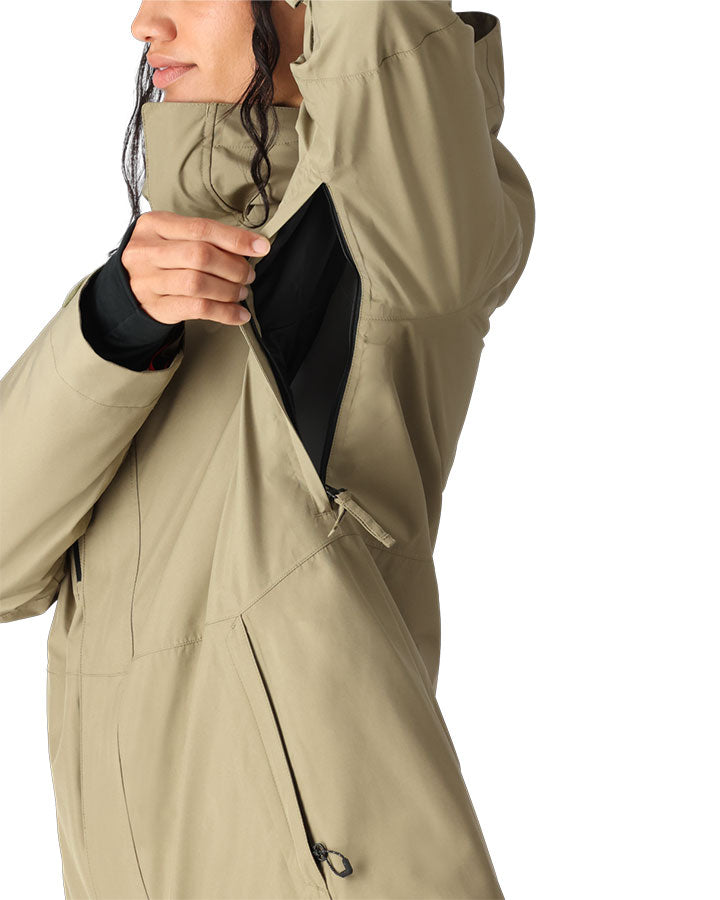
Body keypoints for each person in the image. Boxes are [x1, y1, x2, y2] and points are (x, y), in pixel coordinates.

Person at [0, 2, 535, 898]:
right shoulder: (141, 299)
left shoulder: (388, 252)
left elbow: (385, 62)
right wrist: (112, 327)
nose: (145, 24)